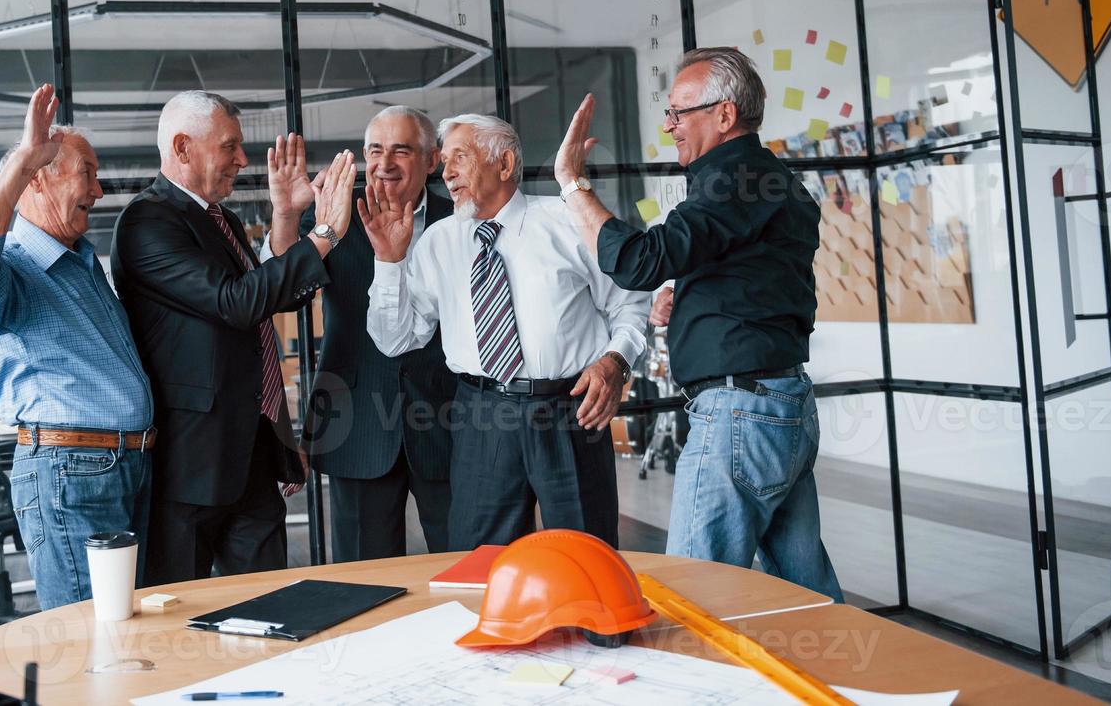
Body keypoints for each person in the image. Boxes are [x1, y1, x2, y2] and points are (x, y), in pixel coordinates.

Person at [553, 46, 843, 601]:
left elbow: (638, 260)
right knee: (808, 597)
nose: (669, 127)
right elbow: (758, 279)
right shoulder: (769, 178)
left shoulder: (732, 179)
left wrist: (573, 185)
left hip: (741, 412)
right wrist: (687, 300)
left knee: (693, 594)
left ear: (725, 114)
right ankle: (848, 682)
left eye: (679, 113)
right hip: (779, 404)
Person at [361, 113, 649, 550]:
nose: (447, 171)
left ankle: (588, 622)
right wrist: (388, 261)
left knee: (584, 558)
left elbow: (630, 300)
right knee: (481, 562)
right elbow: (396, 339)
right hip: (481, 415)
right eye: (446, 160)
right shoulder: (438, 242)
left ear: (506, 163)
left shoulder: (567, 221)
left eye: (462, 157)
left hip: (569, 410)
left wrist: (616, 361)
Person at [111, 91, 357, 584]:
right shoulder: (147, 220)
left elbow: (273, 297)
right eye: (230, 146)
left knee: (266, 604)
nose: (242, 160)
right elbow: (236, 302)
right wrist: (325, 233)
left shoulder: (218, 219)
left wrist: (286, 217)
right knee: (184, 616)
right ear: (183, 148)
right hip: (190, 466)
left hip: (251, 453)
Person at [0, 83, 155, 610]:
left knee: (125, 625)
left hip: (122, 467)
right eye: (86, 174)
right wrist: (22, 159)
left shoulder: (78, 261)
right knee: (85, 632)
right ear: (36, 180)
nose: (98, 191)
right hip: (72, 472)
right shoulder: (12, 266)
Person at [263, 106, 454, 562]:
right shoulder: (336, 212)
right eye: (375, 150)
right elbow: (284, 291)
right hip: (356, 420)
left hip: (453, 418)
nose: (385, 163)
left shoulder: (460, 218)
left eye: (401, 150)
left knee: (466, 566)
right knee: (364, 578)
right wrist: (287, 216)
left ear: (432, 161)